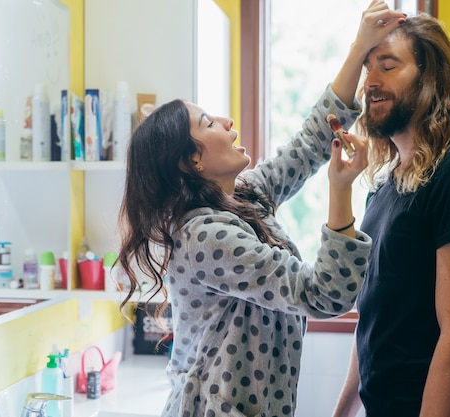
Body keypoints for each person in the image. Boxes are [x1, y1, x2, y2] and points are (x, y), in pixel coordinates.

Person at [116, 2, 405, 416]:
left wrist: (360, 49)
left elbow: (309, 145)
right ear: (191, 162)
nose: (228, 122)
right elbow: (322, 294)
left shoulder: (242, 198)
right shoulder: (203, 236)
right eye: (209, 124)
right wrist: (340, 191)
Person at [332, 13, 450, 417]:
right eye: (367, 67)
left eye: (388, 65)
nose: (369, 82)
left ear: (432, 78)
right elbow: (374, 322)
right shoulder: (385, 187)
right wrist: (341, 412)